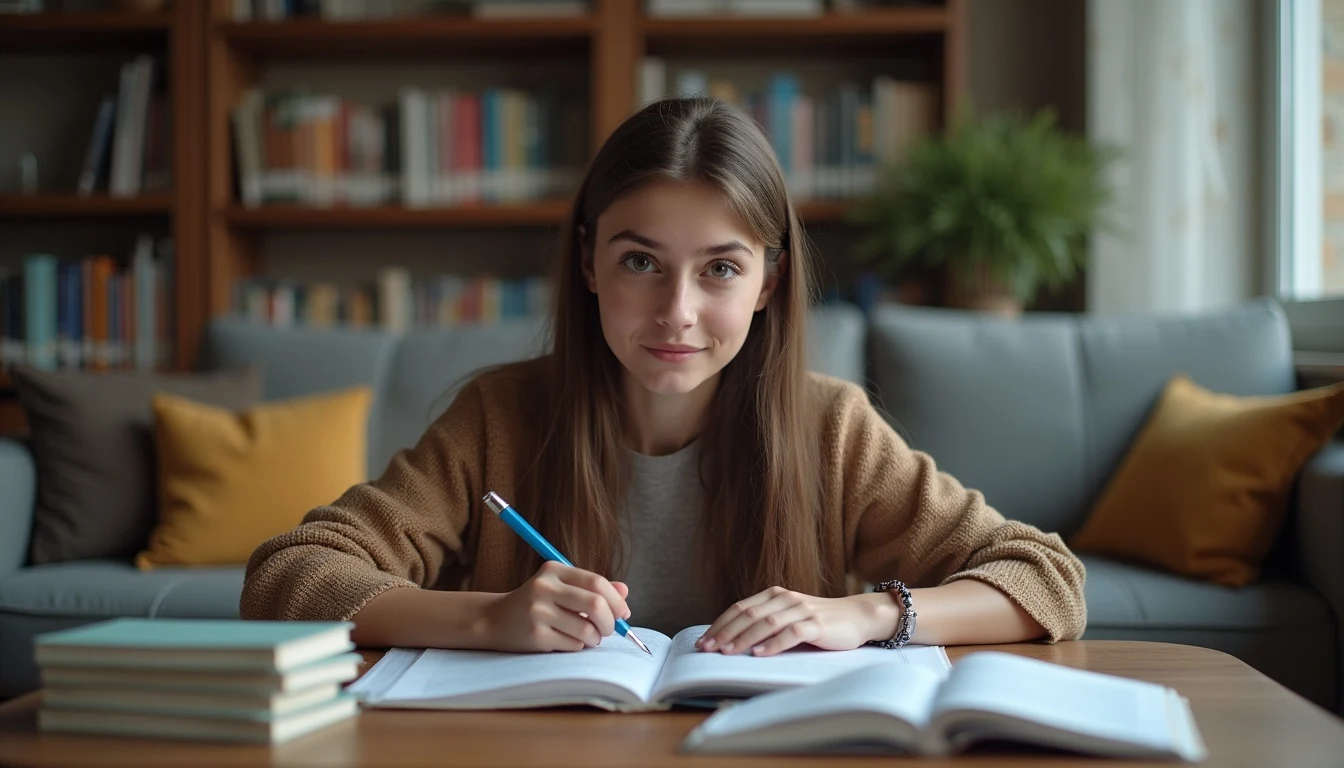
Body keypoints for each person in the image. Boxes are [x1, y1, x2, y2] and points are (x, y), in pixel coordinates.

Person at [240, 97, 1086, 657]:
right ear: (589, 264)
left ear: (770, 283)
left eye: (720, 269)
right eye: (641, 260)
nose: (676, 311)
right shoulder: (500, 416)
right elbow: (289, 576)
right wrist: (486, 618)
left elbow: (1045, 579)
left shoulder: (831, 428)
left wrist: (865, 616)